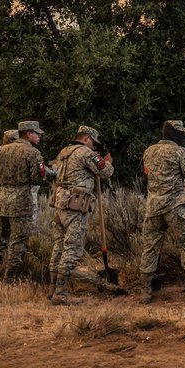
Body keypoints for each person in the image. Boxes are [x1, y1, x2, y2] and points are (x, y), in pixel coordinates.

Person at [139, 119, 185, 303]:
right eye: (181, 133)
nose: (183, 137)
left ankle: (145, 291)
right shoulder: (180, 152)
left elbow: (147, 172)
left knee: (150, 249)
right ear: (174, 134)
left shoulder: (149, 151)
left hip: (153, 207)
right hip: (176, 206)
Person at [46, 125, 113, 305]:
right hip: (76, 205)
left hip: (60, 203)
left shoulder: (64, 152)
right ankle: (61, 293)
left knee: (59, 246)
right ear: (86, 139)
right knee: (72, 247)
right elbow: (105, 172)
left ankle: (52, 288)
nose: (94, 146)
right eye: (93, 142)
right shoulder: (85, 153)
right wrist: (108, 163)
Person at [0, 121, 46, 283]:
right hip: (20, 202)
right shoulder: (33, 153)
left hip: (1, 199)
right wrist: (49, 173)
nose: (39, 136)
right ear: (28, 134)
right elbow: (37, 178)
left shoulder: (2, 150)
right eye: (36, 133)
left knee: (0, 239)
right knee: (18, 241)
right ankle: (9, 280)